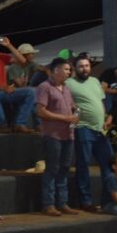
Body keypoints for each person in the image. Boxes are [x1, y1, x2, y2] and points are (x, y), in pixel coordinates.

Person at [66, 54, 113, 213]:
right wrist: (73, 120)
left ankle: (108, 200)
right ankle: (85, 201)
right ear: (75, 68)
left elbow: (100, 101)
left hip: (99, 129)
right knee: (84, 165)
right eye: (81, 66)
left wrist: (105, 117)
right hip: (83, 128)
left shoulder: (94, 81)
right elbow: (66, 104)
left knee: (108, 164)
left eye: (86, 66)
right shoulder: (69, 83)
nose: (84, 69)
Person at [34, 57, 78, 216]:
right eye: (66, 69)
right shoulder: (44, 87)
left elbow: (72, 109)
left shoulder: (66, 89)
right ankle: (49, 204)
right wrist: (65, 118)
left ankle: (63, 203)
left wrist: (75, 115)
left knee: (64, 169)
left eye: (69, 70)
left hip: (68, 134)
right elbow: (40, 111)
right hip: (53, 135)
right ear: (57, 70)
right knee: (52, 169)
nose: (69, 72)